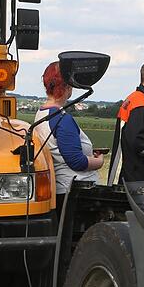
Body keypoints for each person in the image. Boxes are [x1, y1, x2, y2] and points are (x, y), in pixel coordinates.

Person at [34, 62, 104, 210]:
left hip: (61, 191)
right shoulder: (62, 119)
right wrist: (99, 162)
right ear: (68, 86)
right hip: (74, 194)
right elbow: (76, 162)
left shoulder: (41, 113)